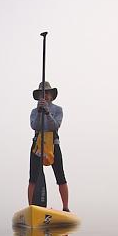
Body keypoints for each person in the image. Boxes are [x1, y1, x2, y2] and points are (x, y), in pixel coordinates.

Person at [28, 81, 70, 211]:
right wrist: (40, 112)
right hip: (38, 145)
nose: (45, 95)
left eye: (47, 93)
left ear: (51, 95)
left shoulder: (58, 110)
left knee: (60, 176)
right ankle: (32, 208)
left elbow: (55, 126)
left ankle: (65, 207)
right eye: (42, 93)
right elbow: (34, 126)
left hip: (53, 144)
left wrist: (47, 112)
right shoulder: (34, 111)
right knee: (33, 178)